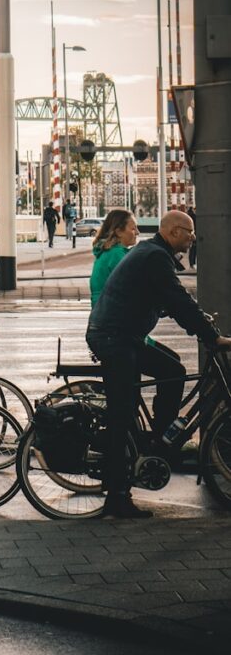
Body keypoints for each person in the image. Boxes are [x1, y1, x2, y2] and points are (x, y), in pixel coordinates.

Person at [86, 210, 231, 518]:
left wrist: (198, 322)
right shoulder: (155, 257)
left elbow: (169, 300)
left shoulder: (151, 253)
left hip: (123, 334)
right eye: (189, 232)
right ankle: (117, 496)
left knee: (173, 370)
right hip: (114, 338)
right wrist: (210, 335)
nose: (193, 238)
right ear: (174, 233)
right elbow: (177, 298)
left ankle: (160, 437)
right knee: (121, 414)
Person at [89, 209, 138, 307]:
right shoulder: (116, 254)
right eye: (133, 229)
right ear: (119, 232)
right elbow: (134, 286)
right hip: (113, 314)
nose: (137, 232)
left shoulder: (106, 252)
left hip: (102, 313)